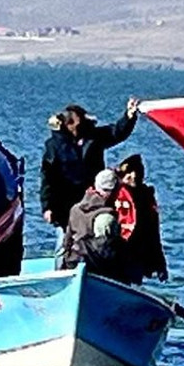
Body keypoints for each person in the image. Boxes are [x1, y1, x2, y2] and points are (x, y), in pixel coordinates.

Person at [40, 97, 139, 252]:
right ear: (66, 125)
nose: (78, 126)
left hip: (94, 198)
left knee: (97, 237)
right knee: (65, 243)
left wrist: (129, 116)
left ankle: (96, 263)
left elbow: (117, 132)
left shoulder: (94, 137)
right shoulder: (54, 146)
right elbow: (48, 177)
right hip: (65, 203)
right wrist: (48, 207)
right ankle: (64, 264)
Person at [60, 169, 128, 282]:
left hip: (73, 262)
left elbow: (66, 243)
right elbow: (107, 254)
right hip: (96, 270)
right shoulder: (107, 218)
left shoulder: (75, 209)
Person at [113, 154, 168, 284]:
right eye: (130, 172)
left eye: (137, 171)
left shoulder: (146, 197)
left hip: (137, 253)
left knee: (132, 282)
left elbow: (153, 233)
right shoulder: (114, 194)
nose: (134, 176)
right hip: (116, 251)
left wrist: (160, 263)